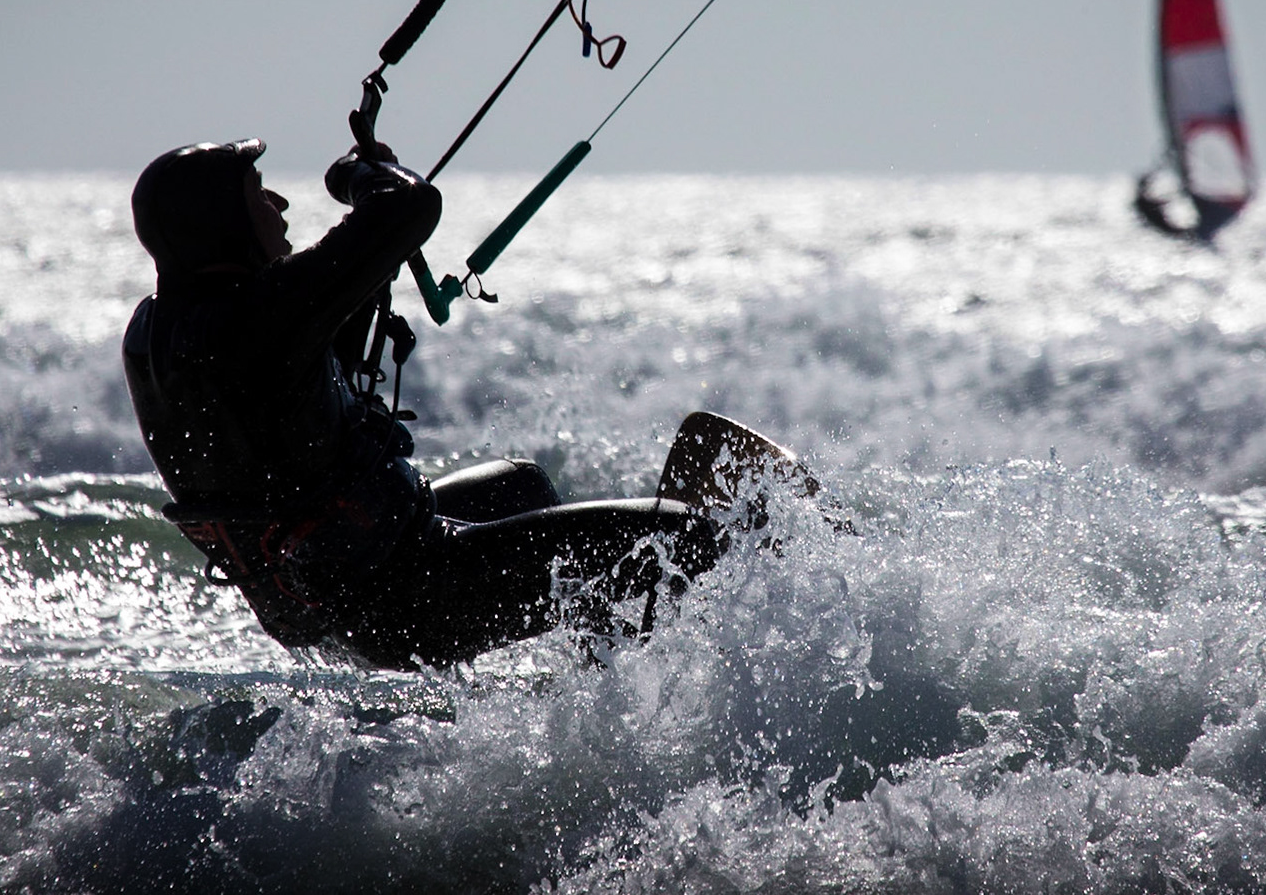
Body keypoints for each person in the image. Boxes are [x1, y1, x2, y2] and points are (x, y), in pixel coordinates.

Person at [122, 138, 779, 669]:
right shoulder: (258, 321)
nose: (280, 202)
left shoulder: (161, 333)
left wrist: (353, 280)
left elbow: (281, 396)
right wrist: (360, 176)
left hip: (335, 601)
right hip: (408, 592)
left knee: (522, 485)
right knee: (680, 538)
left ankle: (600, 669)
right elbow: (409, 210)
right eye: (256, 193)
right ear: (221, 227)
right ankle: (647, 722)